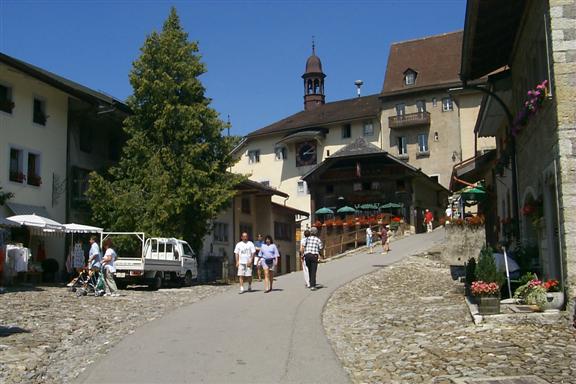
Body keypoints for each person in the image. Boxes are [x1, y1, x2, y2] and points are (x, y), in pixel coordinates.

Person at [302, 227, 323, 291]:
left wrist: (303, 255)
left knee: (309, 269)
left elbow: (303, 246)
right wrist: (321, 255)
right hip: (314, 256)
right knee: (313, 270)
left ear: (311, 232)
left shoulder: (307, 239)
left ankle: (311, 283)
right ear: (316, 233)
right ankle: (313, 286)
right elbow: (320, 248)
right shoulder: (318, 240)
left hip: (307, 255)